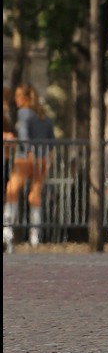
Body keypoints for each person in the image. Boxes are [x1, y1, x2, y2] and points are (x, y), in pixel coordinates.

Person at [5, 84, 54, 247]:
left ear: (25, 98)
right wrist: (48, 158)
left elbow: (24, 134)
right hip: (43, 158)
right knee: (35, 196)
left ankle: (7, 230)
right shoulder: (43, 115)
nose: (16, 100)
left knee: (12, 190)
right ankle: (35, 235)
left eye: (18, 96)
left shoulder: (24, 112)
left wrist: (28, 151)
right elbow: (51, 139)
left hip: (26, 157)